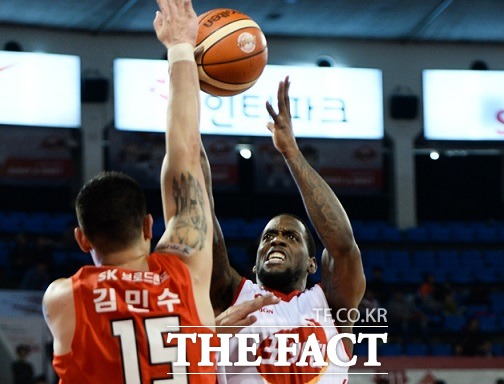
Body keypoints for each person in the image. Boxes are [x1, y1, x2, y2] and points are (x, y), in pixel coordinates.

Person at [41, 1, 278, 382]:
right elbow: (184, 155)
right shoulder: (185, 270)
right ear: (149, 225)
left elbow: (129, 346)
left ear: (82, 239)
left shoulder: (62, 299)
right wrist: (180, 49)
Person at [207, 76, 365, 382]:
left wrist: (291, 153)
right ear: (254, 262)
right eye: (268, 236)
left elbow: (343, 246)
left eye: (290, 236)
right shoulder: (233, 295)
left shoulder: (331, 305)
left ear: (312, 262)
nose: (276, 241)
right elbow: (203, 222)